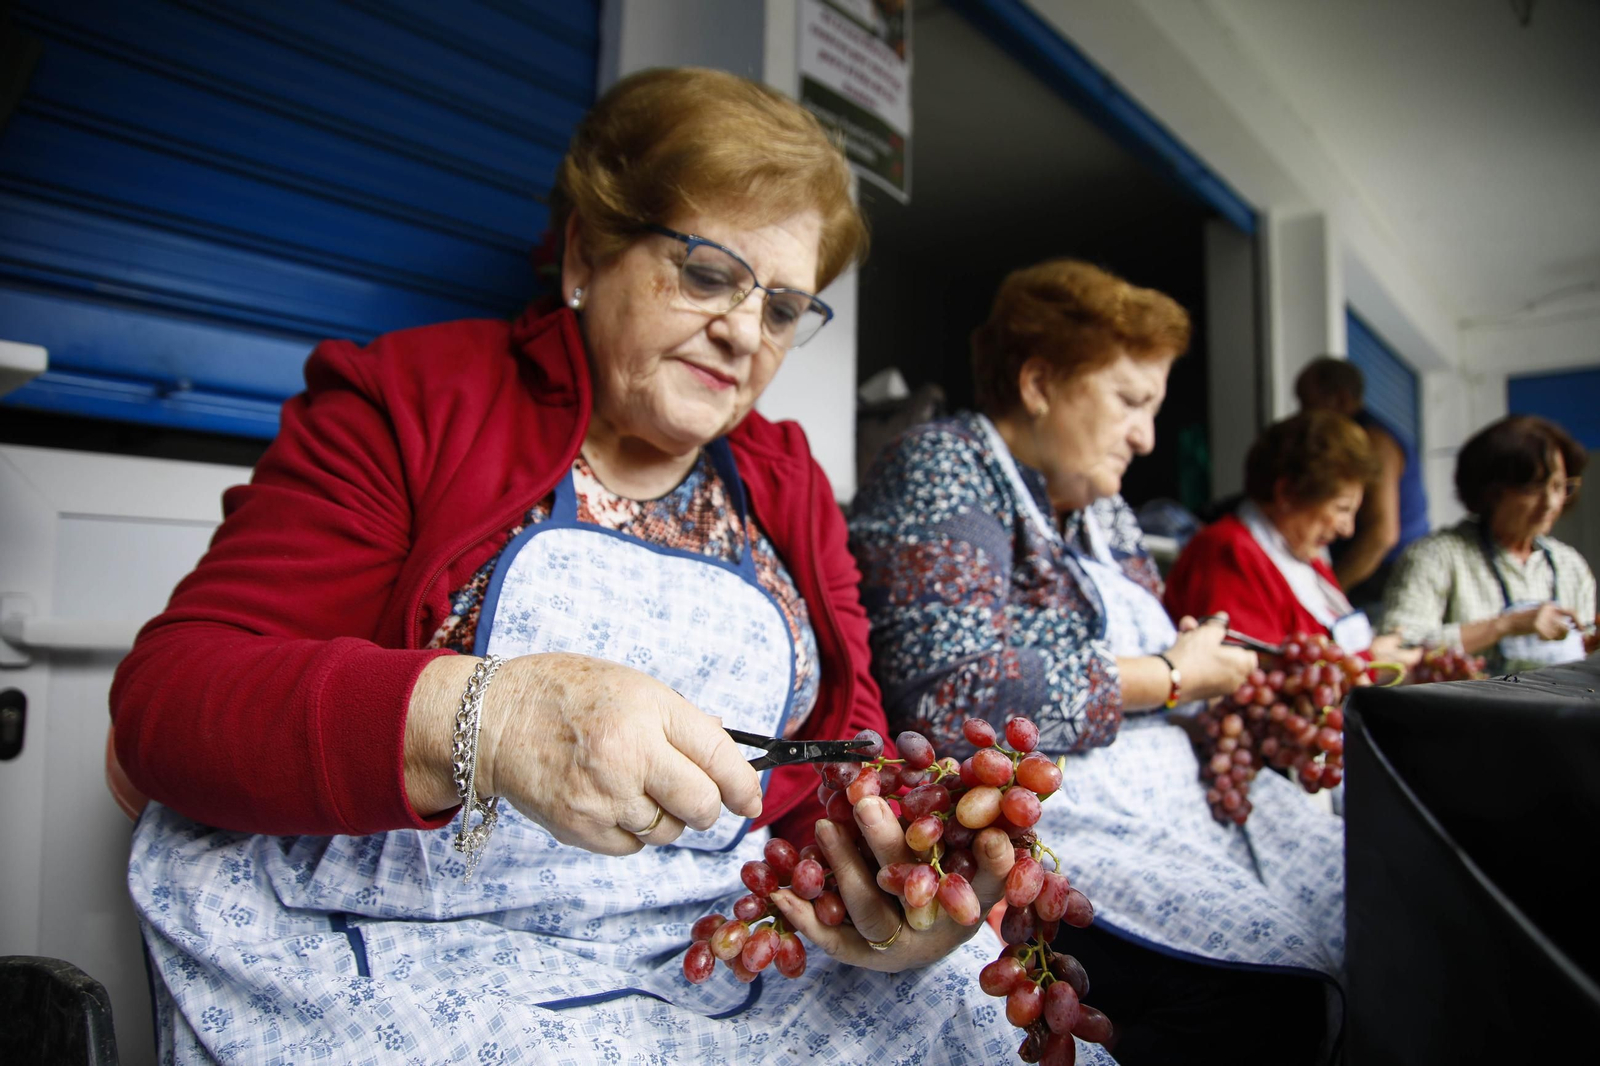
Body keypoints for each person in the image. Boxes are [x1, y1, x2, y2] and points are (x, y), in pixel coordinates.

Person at [112, 68, 1109, 1065]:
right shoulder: (411, 402)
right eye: (711, 274)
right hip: (424, 952)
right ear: (587, 252)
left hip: (697, 955)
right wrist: (493, 715)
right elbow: (171, 703)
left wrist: (881, 894)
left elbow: (835, 767)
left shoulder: (788, 479)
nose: (742, 332)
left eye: (781, 307)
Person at [849, 259, 1345, 1065]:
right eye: (1130, 402)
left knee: (1358, 919)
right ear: (1040, 381)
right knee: (1272, 1002)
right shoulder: (945, 463)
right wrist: (1171, 675)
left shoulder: (1104, 514)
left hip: (1181, 817)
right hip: (1068, 835)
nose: (1147, 436)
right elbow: (948, 686)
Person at [1165, 410, 1406, 660]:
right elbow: (1258, 673)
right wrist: (1371, 660)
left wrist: (1375, 654)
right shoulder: (1228, 551)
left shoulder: (1307, 559)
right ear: (1288, 493)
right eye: (1342, 509)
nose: (1348, 529)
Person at [1382, 414, 1599, 674]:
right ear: (1491, 491)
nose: (1551, 503)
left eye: (1558, 487)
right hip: (1466, 714)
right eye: (1533, 488)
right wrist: (1505, 626)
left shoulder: (1570, 566)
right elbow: (1395, 654)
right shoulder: (1437, 556)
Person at [1295, 356, 1430, 626]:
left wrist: (1331, 593)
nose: (1302, 416)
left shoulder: (1374, 442)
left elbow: (1381, 535)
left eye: (1309, 405)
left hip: (1385, 585)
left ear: (1342, 400)